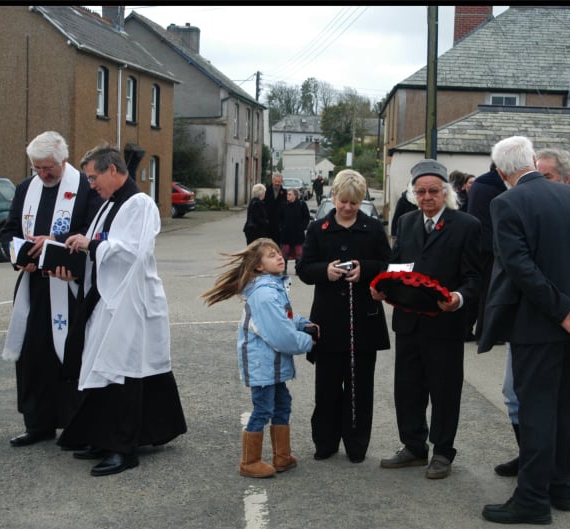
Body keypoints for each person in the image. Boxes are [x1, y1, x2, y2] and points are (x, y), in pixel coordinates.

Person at [477, 136, 570, 524]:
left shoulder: (505, 202)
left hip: (539, 326)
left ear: (503, 173)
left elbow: (519, 267)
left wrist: (563, 309)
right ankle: (561, 487)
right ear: (534, 160)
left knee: (537, 411)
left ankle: (533, 499)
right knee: (568, 408)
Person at [56, 144, 187, 477]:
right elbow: (99, 243)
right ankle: (102, 437)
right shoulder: (108, 205)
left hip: (132, 302)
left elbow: (135, 252)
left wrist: (93, 245)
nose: (90, 185)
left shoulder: (139, 204)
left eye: (93, 177)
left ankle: (123, 448)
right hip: (108, 299)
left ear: (112, 170)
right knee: (100, 368)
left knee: (124, 371)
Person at [371, 158, 482, 480]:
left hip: (445, 324)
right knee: (407, 388)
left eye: (433, 191)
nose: (427, 197)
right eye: (421, 192)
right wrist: (382, 286)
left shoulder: (466, 225)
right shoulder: (405, 223)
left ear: (446, 192)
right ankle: (414, 447)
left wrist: (458, 298)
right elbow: (397, 265)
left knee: (445, 390)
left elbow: (475, 277)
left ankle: (443, 452)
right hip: (408, 322)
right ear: (413, 193)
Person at [0, 131, 104, 447]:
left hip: (69, 286)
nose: (43, 175)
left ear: (63, 161)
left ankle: (77, 425)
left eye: (49, 168)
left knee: (71, 354)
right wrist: (17, 256)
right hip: (35, 286)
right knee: (34, 355)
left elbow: (92, 230)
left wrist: (55, 244)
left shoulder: (85, 189)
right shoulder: (25, 189)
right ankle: (38, 423)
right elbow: (10, 230)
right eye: (37, 169)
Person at [297, 169, 391, 463]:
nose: (348, 208)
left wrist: (368, 270)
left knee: (360, 386)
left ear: (360, 201)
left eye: (354, 203)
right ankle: (325, 442)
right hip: (328, 319)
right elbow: (303, 268)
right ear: (334, 197)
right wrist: (324, 271)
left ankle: (356, 444)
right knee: (326, 386)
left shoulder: (374, 228)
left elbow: (389, 265)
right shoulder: (318, 229)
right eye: (343, 202)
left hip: (364, 318)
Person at [200, 238, 315, 477]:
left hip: (272, 365)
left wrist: (303, 323)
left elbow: (284, 318)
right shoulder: (264, 294)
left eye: (279, 252)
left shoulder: (274, 288)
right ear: (258, 266)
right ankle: (249, 461)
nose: (279, 256)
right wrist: (308, 341)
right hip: (262, 365)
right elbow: (280, 334)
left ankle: (281, 456)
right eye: (271, 255)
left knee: (283, 404)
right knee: (263, 410)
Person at [466, 163, 507, 340]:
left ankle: (466, 328)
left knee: (475, 287)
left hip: (475, 240)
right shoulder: (497, 186)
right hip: (490, 243)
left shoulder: (478, 183)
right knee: (488, 289)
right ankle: (484, 331)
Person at [279, 188, 310, 273]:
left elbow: (306, 217)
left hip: (298, 233)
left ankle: (298, 268)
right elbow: (280, 217)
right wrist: (282, 227)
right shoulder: (284, 205)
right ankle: (284, 269)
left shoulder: (301, 204)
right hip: (286, 233)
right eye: (287, 194)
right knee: (285, 251)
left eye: (289, 194)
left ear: (295, 196)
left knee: (299, 252)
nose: (287, 196)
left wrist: (303, 227)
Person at [264, 172, 288, 245]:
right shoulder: (266, 191)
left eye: (279, 181)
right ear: (272, 181)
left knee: (278, 243)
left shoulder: (284, 192)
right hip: (268, 221)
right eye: (275, 181)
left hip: (279, 222)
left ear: (281, 182)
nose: (277, 183)